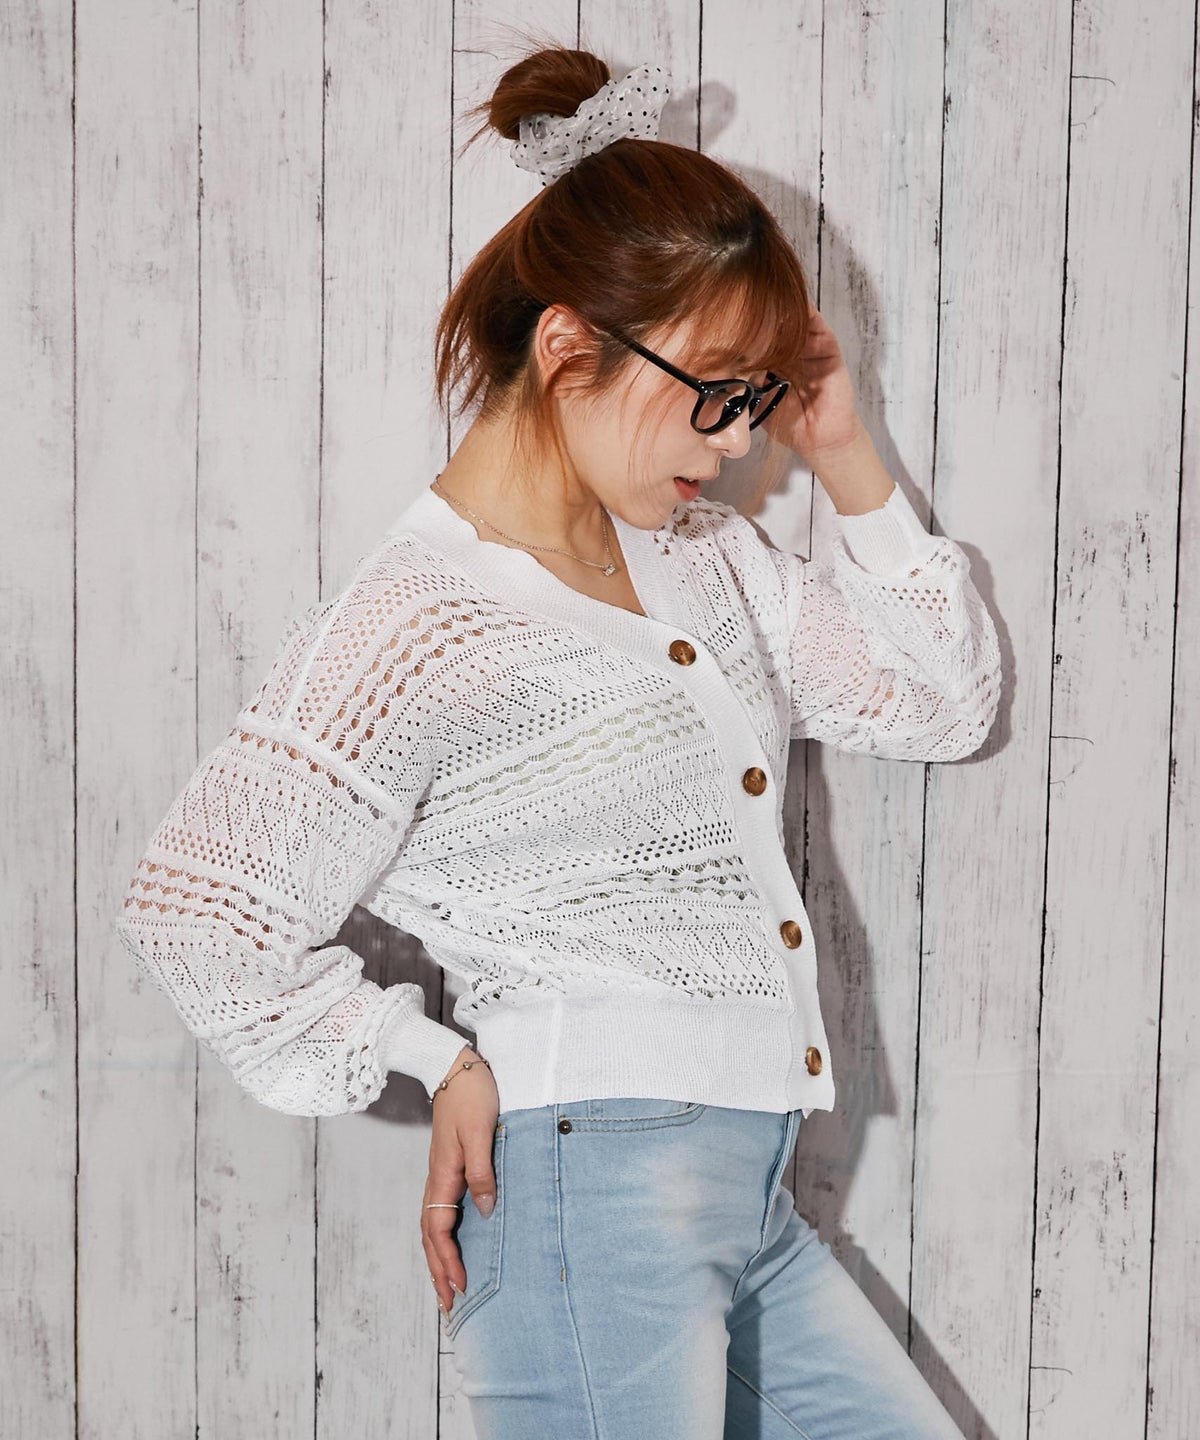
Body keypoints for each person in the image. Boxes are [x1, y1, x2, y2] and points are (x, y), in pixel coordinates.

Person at [114, 43, 1000, 1440]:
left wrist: (843, 449)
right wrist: (434, 1057)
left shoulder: (701, 559)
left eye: (754, 398)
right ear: (569, 346)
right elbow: (200, 909)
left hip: (747, 1197)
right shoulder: (420, 621)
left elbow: (939, 704)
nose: (736, 444)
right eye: (716, 391)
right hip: (595, 1195)